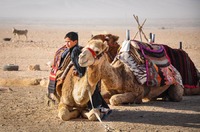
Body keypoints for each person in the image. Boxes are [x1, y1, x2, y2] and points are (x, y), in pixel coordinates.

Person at [47, 31, 111, 119]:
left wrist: (80, 71)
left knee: (92, 85)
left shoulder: (75, 51)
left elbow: (81, 66)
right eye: (66, 42)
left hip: (84, 72)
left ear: (75, 41)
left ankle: (98, 107)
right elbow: (78, 65)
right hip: (81, 72)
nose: (67, 44)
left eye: (68, 41)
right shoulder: (73, 51)